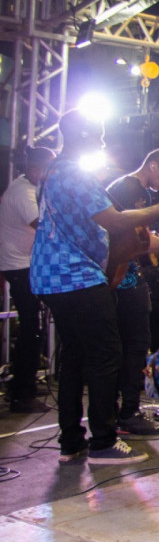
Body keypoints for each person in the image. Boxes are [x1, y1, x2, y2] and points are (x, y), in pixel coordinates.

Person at [32, 109, 159, 465]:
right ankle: (103, 441)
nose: (103, 142)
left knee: (75, 354)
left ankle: (72, 441)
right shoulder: (74, 172)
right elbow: (115, 221)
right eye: (98, 135)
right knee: (106, 352)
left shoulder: (56, 170)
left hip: (52, 275)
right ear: (84, 136)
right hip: (74, 275)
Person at [106, 148, 159, 435]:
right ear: (151, 165)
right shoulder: (130, 189)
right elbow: (131, 238)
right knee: (136, 343)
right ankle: (129, 413)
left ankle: (116, 411)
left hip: (122, 275)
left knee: (124, 346)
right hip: (122, 279)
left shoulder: (134, 189)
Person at [0, 146, 54, 413]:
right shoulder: (23, 193)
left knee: (35, 326)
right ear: (35, 169)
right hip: (19, 266)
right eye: (48, 170)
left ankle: (24, 383)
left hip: (25, 264)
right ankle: (22, 392)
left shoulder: (29, 188)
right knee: (31, 327)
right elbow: (44, 226)